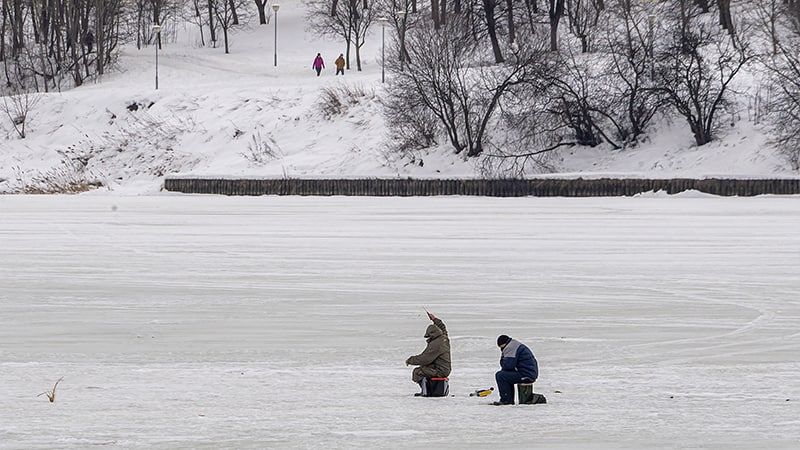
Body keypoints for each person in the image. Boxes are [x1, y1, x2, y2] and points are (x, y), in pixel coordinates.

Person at [405, 311, 451, 396]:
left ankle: (426, 392)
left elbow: (425, 359)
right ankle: (428, 390)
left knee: (417, 372)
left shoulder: (436, 344)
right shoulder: (443, 338)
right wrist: (434, 319)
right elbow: (442, 327)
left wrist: (410, 360)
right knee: (424, 368)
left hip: (440, 371)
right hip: (443, 369)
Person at [493, 334, 538, 405]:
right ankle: (508, 400)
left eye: (501, 348)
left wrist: (503, 358)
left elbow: (507, 365)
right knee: (504, 374)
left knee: (500, 376)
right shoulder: (514, 345)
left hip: (526, 374)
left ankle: (506, 400)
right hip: (528, 372)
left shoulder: (510, 348)